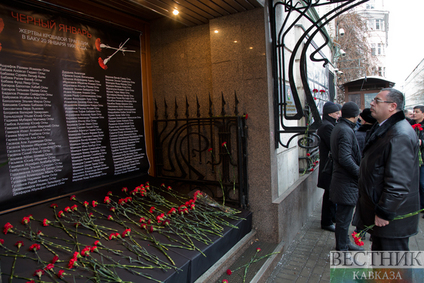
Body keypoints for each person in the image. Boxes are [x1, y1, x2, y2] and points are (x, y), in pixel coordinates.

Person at [358, 88, 419, 251]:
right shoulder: (387, 128)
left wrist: (385, 211)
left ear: (392, 106)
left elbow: (398, 181)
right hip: (382, 214)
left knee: (392, 269)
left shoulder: (399, 134)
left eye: (377, 101)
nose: (372, 103)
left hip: (391, 220)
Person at [329, 101, 363, 251]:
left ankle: (345, 243)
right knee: (343, 218)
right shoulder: (345, 130)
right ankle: (342, 248)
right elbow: (345, 158)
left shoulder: (341, 127)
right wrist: (360, 173)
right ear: (355, 115)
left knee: (344, 217)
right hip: (345, 181)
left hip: (343, 180)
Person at [317, 101, 341, 232]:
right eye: (337, 113)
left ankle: (331, 217)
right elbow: (334, 145)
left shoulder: (329, 124)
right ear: (330, 113)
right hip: (329, 165)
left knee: (331, 194)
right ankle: (326, 221)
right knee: (330, 195)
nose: (338, 115)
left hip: (329, 164)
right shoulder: (327, 126)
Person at [412, 105, 424, 212]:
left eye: (417, 111)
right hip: (414, 158)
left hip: (422, 159)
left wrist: (422, 142)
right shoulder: (412, 125)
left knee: (422, 183)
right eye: (413, 111)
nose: (414, 113)